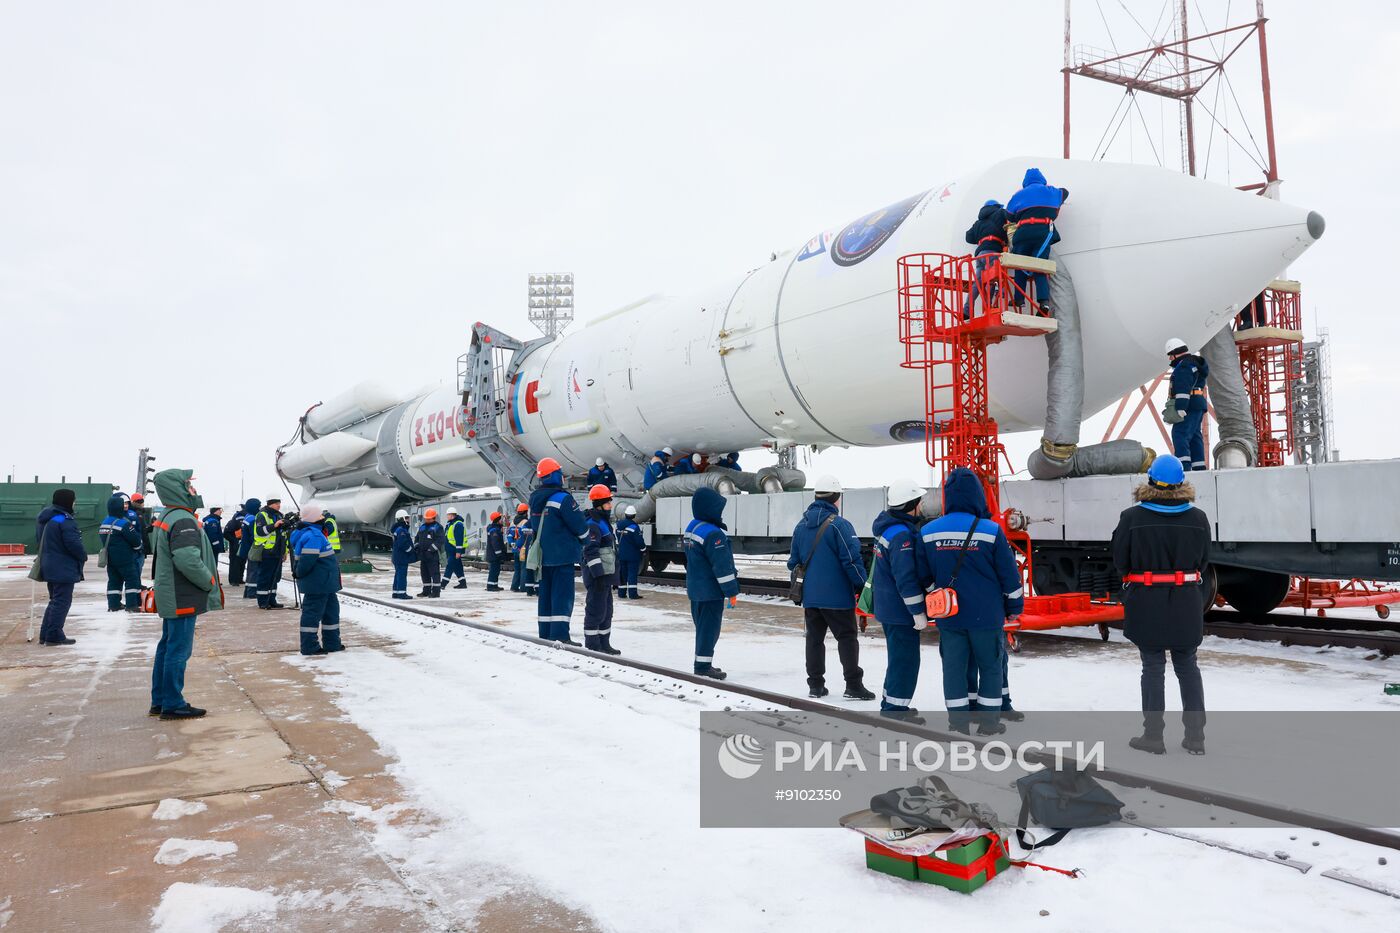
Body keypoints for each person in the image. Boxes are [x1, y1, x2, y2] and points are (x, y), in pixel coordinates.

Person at [1111, 454, 1211, 755]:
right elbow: (1204, 561)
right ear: (1182, 482)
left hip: (1147, 600)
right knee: (1187, 666)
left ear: (1150, 480)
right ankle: (1196, 738)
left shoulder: (1131, 518)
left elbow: (1120, 560)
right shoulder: (1198, 518)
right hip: (1186, 600)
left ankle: (1153, 737)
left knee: (1152, 667)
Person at [918, 469, 1024, 736]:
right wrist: (1014, 608)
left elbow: (922, 575)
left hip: (949, 616)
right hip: (986, 616)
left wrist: (938, 595)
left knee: (953, 668)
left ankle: (958, 724)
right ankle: (989, 724)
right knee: (990, 667)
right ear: (977, 495)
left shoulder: (928, 531)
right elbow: (1009, 577)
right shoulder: (990, 531)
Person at [787, 475, 875, 700]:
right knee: (846, 638)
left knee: (814, 640)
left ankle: (815, 685)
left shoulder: (801, 525)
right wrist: (862, 586)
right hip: (837, 598)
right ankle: (853, 685)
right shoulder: (840, 526)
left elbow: (793, 562)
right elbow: (852, 561)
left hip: (811, 598)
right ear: (837, 498)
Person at [149, 468, 223, 719]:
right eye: (188, 484)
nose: (193, 488)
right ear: (179, 488)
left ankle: (160, 700)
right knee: (179, 650)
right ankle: (172, 703)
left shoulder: (169, 515)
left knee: (167, 647)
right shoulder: (183, 519)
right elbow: (187, 559)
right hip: (182, 594)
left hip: (172, 591)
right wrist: (209, 581)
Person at [870, 479, 929, 721]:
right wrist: (917, 611)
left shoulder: (889, 528)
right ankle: (895, 711)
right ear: (911, 505)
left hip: (888, 607)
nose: (923, 506)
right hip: (900, 610)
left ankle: (890, 702)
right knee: (906, 660)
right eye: (920, 502)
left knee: (898, 658)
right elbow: (905, 578)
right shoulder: (902, 536)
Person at [529, 457, 590, 643]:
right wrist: (585, 540)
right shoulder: (563, 499)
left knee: (545, 596)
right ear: (555, 476)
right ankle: (560, 635)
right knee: (562, 597)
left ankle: (546, 634)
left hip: (543, 557)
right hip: (563, 556)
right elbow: (580, 526)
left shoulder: (534, 500)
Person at [683, 487, 740, 680]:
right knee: (709, 629)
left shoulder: (692, 527)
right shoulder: (714, 534)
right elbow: (722, 568)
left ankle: (703, 663)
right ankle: (702, 666)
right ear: (709, 509)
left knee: (702, 627)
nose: (720, 513)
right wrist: (732, 591)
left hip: (695, 588)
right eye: (718, 508)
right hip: (710, 591)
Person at [1006, 167, 1070, 315]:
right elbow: (1065, 192)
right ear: (1042, 179)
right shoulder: (1051, 191)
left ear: (1025, 182)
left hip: (1022, 233)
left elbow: (1009, 215)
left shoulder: (1019, 195)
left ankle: (1018, 299)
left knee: (1020, 265)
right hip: (1042, 232)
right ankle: (1044, 303)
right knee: (1040, 267)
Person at [35, 488, 87, 645]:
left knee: (54, 600)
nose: (75, 503)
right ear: (68, 501)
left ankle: (46, 634)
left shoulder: (47, 518)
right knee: (62, 601)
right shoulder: (64, 520)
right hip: (63, 566)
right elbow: (72, 543)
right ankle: (54, 634)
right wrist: (82, 555)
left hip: (49, 564)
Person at [290, 504, 344, 656]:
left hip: (326, 583)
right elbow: (307, 561)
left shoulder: (316, 533)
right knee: (312, 614)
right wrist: (299, 573)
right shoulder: (313, 536)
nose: (323, 518)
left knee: (331, 612)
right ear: (313, 518)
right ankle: (309, 646)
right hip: (318, 583)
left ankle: (332, 643)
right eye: (320, 516)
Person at [582, 485, 621, 654]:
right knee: (596, 610)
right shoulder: (593, 524)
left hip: (606, 575)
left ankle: (604, 643)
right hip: (598, 576)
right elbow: (590, 551)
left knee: (606, 611)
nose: (610, 506)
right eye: (608, 503)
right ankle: (593, 644)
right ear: (599, 504)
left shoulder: (603, 522)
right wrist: (597, 575)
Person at [1164, 338, 1210, 472]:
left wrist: (1181, 407)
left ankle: (1183, 466)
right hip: (1198, 403)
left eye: (1170, 356)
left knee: (1180, 434)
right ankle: (1199, 466)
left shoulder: (1184, 366)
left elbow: (1183, 387)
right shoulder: (1194, 363)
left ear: (1175, 353)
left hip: (1189, 405)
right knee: (1195, 435)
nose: (1170, 360)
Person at [963, 199, 1010, 317]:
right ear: (996, 206)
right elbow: (1010, 220)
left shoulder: (978, 222)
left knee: (977, 284)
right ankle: (989, 309)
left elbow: (968, 237)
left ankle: (967, 310)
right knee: (992, 280)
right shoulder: (1000, 213)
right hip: (992, 251)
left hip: (980, 255)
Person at [99, 493, 144, 611]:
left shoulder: (104, 522)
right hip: (125, 557)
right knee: (131, 580)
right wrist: (138, 548)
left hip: (111, 558)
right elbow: (135, 541)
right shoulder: (123, 523)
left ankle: (113, 605)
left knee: (114, 580)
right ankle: (132, 605)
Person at [252, 497, 288, 609]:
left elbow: (283, 535)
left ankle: (272, 600)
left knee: (275, 577)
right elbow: (260, 531)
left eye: (279, 503)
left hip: (277, 551)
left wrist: (285, 551)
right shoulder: (262, 515)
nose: (279, 505)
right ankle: (263, 601)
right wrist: (274, 525)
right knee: (265, 577)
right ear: (270, 504)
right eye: (277, 503)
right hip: (266, 551)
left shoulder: (280, 515)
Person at [615, 504, 647, 599]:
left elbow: (617, 537)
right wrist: (644, 549)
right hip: (633, 555)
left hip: (621, 554)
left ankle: (621, 593)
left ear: (625, 514)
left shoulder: (618, 525)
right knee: (632, 574)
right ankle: (632, 594)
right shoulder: (634, 527)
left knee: (622, 573)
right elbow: (639, 541)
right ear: (634, 515)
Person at [415, 508, 445, 598]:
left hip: (432, 555)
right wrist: (416, 547)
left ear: (434, 518)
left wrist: (431, 549)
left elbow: (440, 540)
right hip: (423, 555)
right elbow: (417, 538)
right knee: (424, 573)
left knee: (434, 574)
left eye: (429, 518)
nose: (427, 520)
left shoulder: (438, 527)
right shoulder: (422, 527)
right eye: (426, 518)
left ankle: (436, 592)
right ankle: (426, 591)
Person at [390, 509, 416, 599]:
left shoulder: (398, 529)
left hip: (397, 557)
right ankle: (401, 593)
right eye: (407, 517)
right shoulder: (401, 530)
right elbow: (403, 543)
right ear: (402, 519)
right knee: (402, 575)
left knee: (398, 574)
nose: (408, 519)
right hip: (401, 557)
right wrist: (411, 550)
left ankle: (396, 592)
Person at [238, 499, 260, 598]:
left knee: (250, 570)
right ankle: (251, 593)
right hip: (251, 548)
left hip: (245, 547)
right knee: (254, 570)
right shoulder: (253, 519)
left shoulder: (247, 517)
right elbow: (254, 536)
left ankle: (248, 591)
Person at [444, 506, 467, 589]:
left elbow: (459, 539)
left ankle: (443, 584)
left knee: (449, 567)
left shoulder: (458, 524)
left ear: (452, 515)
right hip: (450, 549)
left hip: (454, 550)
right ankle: (463, 583)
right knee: (458, 567)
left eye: (448, 515)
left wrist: (458, 551)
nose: (447, 516)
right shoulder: (450, 523)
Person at [128, 492, 150, 582]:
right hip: (139, 547)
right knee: (137, 568)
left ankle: (135, 586)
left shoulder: (130, 513)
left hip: (133, 547)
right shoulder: (138, 514)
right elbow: (142, 532)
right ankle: (136, 587)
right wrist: (146, 548)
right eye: (140, 501)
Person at [484, 510, 507, 592]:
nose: (502, 520)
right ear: (497, 519)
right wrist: (499, 554)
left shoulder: (494, 528)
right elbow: (495, 543)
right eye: (501, 519)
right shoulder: (495, 530)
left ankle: (494, 585)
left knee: (495, 571)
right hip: (494, 555)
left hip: (493, 555)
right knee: (494, 571)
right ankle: (491, 586)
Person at [224, 506, 247, 586]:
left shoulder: (240, 518)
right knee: (235, 562)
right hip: (236, 545)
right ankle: (234, 580)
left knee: (241, 562)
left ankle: (239, 579)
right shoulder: (236, 520)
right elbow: (226, 533)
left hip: (242, 544)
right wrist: (235, 541)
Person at [508, 504, 528, 592]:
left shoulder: (513, 522)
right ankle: (523, 587)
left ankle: (514, 586)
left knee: (517, 569)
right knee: (523, 568)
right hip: (522, 550)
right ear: (526, 512)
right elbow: (524, 537)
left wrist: (513, 544)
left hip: (515, 549)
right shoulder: (525, 522)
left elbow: (509, 535)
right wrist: (520, 546)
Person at [202, 506, 225, 571]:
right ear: (216, 511)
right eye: (220, 510)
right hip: (213, 547)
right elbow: (213, 536)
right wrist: (217, 546)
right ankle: (214, 580)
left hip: (210, 546)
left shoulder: (210, 519)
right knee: (213, 564)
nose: (221, 512)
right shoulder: (213, 521)